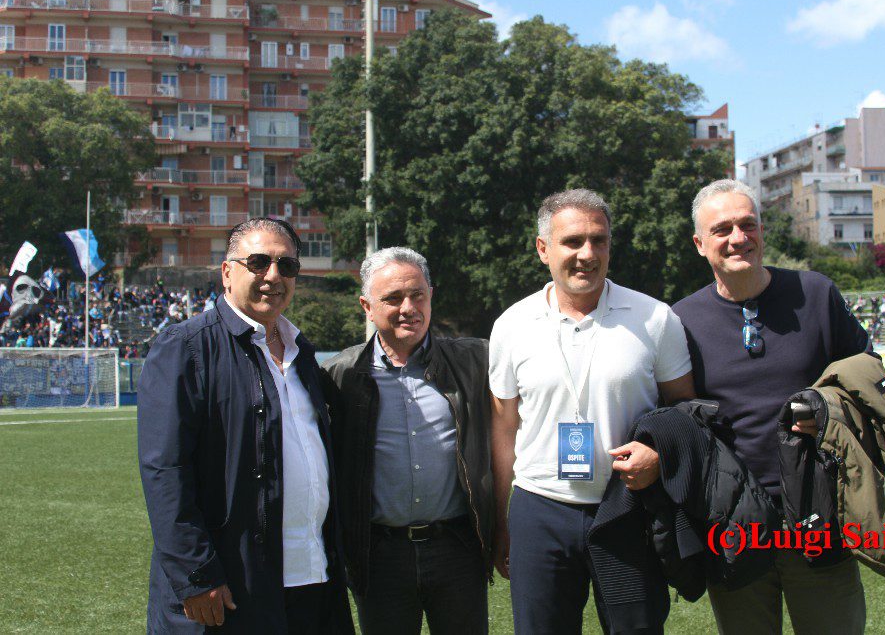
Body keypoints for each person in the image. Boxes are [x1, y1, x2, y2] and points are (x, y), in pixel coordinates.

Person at [489, 189, 695, 634]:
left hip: (626, 506)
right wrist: (500, 519)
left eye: (599, 241)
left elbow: (686, 411)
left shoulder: (655, 319)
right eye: (573, 241)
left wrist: (660, 457)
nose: (588, 254)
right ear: (543, 249)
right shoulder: (511, 325)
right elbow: (504, 426)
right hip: (539, 508)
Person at [671, 179, 870, 635]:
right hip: (735, 525)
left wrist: (820, 410)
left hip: (821, 514)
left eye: (748, 224)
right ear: (700, 244)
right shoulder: (680, 320)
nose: (738, 237)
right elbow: (678, 416)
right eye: (722, 229)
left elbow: (867, 375)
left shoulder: (815, 293)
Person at [138, 218, 354, 634]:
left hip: (312, 577)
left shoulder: (301, 354)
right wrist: (196, 575)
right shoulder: (185, 348)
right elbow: (165, 472)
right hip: (233, 586)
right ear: (227, 272)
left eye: (286, 266)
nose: (273, 276)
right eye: (258, 262)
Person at [323, 247, 492, 635]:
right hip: (380, 555)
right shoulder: (338, 375)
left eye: (418, 295)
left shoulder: (475, 362)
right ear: (366, 305)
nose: (408, 308)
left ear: (431, 295)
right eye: (393, 298)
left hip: (457, 549)